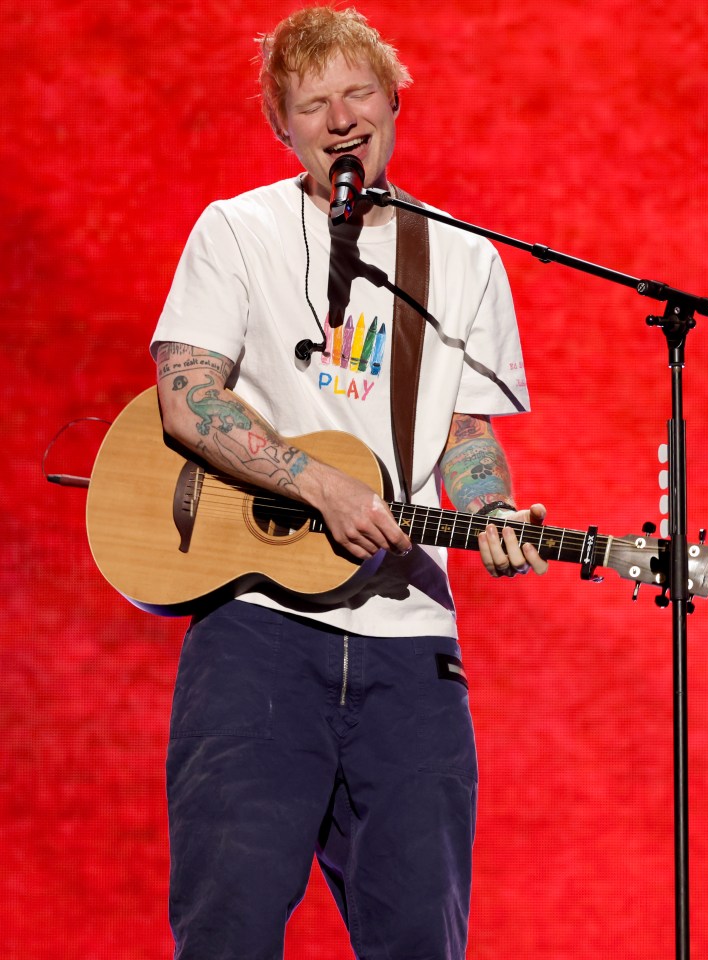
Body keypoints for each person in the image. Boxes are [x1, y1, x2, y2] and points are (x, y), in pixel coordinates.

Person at [151, 6, 547, 958]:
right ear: (280, 128)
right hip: (255, 635)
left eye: (357, 92)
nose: (339, 119)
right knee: (228, 932)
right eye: (312, 102)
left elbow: (465, 435)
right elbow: (184, 392)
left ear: (395, 102)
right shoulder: (236, 231)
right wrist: (317, 486)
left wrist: (491, 508)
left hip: (409, 649)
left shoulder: (462, 258)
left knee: (421, 937)